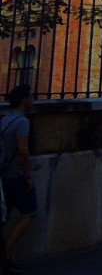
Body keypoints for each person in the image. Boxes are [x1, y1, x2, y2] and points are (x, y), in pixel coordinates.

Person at [1, 85, 35, 273]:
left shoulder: (5, 119)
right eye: (31, 97)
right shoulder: (22, 122)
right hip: (16, 176)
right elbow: (23, 151)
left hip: (3, 174)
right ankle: (4, 256)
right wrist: (27, 176)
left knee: (4, 216)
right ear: (24, 100)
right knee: (29, 212)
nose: (33, 100)